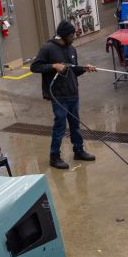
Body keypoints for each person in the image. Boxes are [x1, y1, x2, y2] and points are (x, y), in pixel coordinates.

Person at [30, 20, 97, 169]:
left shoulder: (71, 49)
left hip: (73, 93)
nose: (74, 37)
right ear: (64, 35)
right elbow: (34, 67)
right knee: (60, 125)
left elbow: (73, 70)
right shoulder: (48, 48)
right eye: (72, 35)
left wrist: (85, 68)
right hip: (59, 95)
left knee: (75, 124)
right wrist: (54, 66)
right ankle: (54, 157)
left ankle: (78, 151)